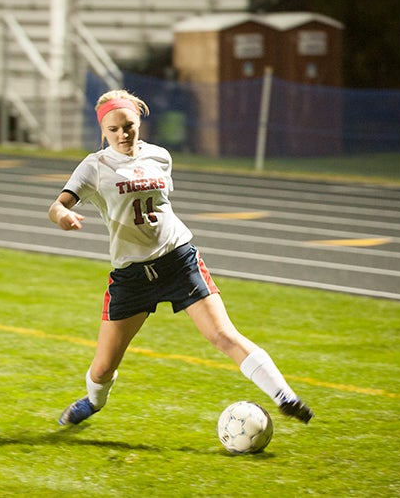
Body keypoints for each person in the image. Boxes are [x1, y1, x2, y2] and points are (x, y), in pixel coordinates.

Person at [48, 89, 313, 427]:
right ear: (103, 130)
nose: (122, 134)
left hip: (178, 260)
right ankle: (93, 402)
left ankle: (286, 397)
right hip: (132, 276)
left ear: (139, 121)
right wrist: (62, 217)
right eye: (113, 129)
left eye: (128, 125)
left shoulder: (160, 157)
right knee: (103, 368)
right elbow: (58, 204)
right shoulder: (93, 167)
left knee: (223, 335)